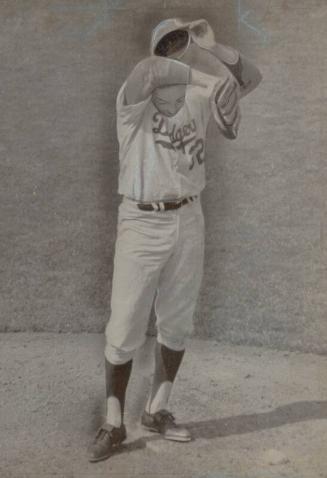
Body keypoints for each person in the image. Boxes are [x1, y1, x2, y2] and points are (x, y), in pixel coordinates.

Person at [88, 18, 262, 463]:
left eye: (178, 39)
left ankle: (157, 409)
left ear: (186, 45)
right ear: (157, 51)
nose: (171, 47)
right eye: (164, 42)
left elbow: (251, 78)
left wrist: (216, 48)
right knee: (125, 324)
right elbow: (149, 71)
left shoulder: (201, 97)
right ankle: (113, 420)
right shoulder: (133, 100)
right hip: (141, 222)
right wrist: (208, 75)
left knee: (178, 321)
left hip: (189, 218)